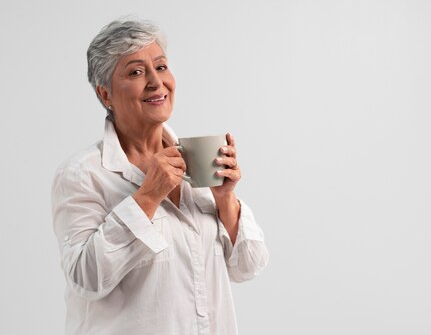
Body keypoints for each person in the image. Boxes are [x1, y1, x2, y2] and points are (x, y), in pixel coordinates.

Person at [51, 18, 269, 335]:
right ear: (106, 94)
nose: (156, 82)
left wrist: (225, 199)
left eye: (162, 67)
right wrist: (147, 197)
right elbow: (86, 278)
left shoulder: (197, 161)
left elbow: (248, 266)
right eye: (136, 72)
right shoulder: (83, 174)